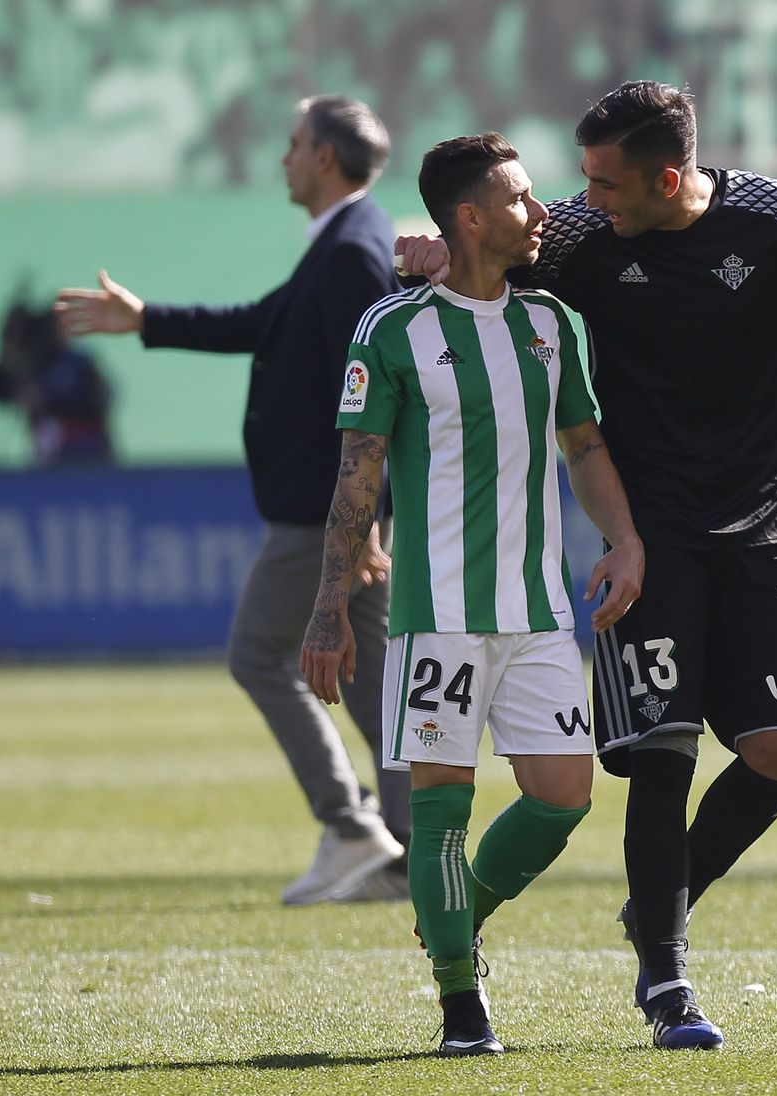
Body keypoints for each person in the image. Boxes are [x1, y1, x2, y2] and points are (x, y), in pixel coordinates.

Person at [397, 80, 777, 1049]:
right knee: (662, 756)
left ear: (669, 176)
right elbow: (474, 273)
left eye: (604, 181)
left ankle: (655, 905)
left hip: (770, 522)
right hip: (650, 538)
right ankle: (665, 980)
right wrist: (434, 251)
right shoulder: (572, 237)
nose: (581, 198)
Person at [301, 133, 643, 1057]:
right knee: (442, 816)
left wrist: (625, 538)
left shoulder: (551, 326)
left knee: (563, 800)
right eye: (523, 198)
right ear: (470, 217)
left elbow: (585, 447)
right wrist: (329, 607)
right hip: (437, 618)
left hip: (538, 617)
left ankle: (454, 916)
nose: (542, 213)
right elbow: (356, 476)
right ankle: (462, 1002)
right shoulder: (395, 330)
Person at [55, 95, 408, 905]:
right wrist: (148, 321)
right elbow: (265, 323)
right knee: (374, 679)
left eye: (293, 144)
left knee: (257, 653)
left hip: (325, 514)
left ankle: (350, 825)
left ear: (323, 157)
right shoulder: (345, 241)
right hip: (337, 510)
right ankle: (412, 852)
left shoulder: (354, 249)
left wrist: (365, 516)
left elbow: (377, 398)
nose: (283, 157)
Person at [0, 295, 115, 467]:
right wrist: (9, 345)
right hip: (48, 461)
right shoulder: (34, 366)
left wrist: (50, 401)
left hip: (89, 455)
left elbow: (100, 400)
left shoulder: (81, 364)